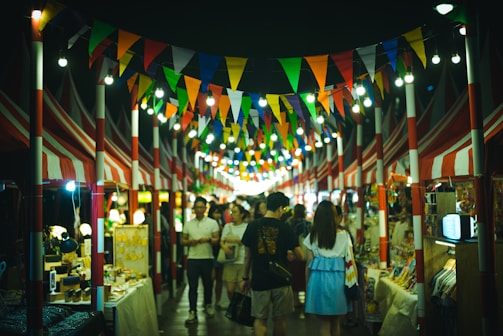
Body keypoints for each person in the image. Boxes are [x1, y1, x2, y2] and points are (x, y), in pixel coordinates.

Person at [241, 191, 304, 336]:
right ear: (280, 208)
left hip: (259, 279)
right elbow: (300, 255)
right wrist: (290, 254)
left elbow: (247, 257)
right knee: (280, 319)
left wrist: (245, 278)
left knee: (260, 319)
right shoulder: (285, 228)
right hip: (281, 280)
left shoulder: (252, 226)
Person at [304, 200, 354, 336]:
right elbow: (351, 262)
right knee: (336, 323)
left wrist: (307, 287)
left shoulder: (312, 236)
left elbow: (308, 264)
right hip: (339, 281)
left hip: (318, 282)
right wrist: (354, 284)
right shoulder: (344, 235)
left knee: (324, 325)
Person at [182, 196, 220, 324]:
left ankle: (208, 305)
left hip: (207, 259)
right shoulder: (188, 224)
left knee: (208, 285)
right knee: (193, 287)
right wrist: (191, 242)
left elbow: (217, 240)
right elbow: (183, 241)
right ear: (194, 208)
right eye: (197, 207)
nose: (199, 209)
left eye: (201, 207)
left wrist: (208, 240)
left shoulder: (212, 223)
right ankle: (192, 311)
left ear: (205, 208)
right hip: (193, 259)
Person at [220, 203, 249, 304]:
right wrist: (224, 247)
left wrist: (236, 239)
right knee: (230, 290)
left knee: (242, 289)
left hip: (243, 261)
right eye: (232, 212)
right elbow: (222, 241)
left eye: (235, 212)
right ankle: (233, 305)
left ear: (242, 214)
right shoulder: (227, 226)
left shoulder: (247, 226)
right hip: (230, 261)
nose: (232, 214)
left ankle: (240, 307)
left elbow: (247, 242)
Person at [286, 204, 311, 313]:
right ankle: (305, 301)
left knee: (293, 277)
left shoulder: (289, 223)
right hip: (305, 255)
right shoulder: (308, 224)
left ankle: (295, 301)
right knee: (304, 277)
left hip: (292, 254)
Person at [208, 203, 225, 310]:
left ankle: (218, 301)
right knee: (211, 278)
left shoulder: (222, 224)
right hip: (210, 253)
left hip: (220, 253)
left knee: (219, 279)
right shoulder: (208, 224)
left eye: (219, 213)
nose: (217, 215)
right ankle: (208, 300)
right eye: (215, 213)